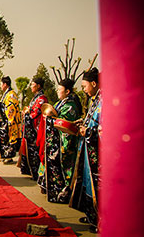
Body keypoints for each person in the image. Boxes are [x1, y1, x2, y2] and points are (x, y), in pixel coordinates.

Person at [38, 78, 81, 203]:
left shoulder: (70, 106)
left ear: (67, 91)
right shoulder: (60, 103)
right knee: (51, 162)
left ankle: (62, 191)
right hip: (54, 142)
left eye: (59, 89)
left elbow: (64, 124)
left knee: (62, 166)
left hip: (63, 142)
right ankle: (51, 188)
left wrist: (51, 118)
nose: (57, 91)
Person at [70, 68, 101, 233]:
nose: (83, 90)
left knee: (97, 185)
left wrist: (88, 131)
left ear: (94, 83)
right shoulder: (94, 99)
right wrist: (83, 121)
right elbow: (92, 119)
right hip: (88, 148)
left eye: (84, 86)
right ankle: (91, 215)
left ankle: (100, 220)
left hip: (98, 151)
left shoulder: (104, 100)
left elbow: (106, 128)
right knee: (88, 183)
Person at [19, 77, 48, 180]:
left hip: (35, 129)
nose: (31, 86)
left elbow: (37, 113)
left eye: (32, 84)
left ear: (38, 86)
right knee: (29, 149)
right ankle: (30, 170)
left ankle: (37, 174)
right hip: (31, 128)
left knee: (35, 151)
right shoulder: (36, 98)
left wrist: (28, 114)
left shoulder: (42, 99)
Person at [0, 76, 22, 164]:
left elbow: (10, 108)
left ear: (5, 84)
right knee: (4, 139)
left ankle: (9, 156)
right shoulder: (7, 94)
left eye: (1, 84)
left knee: (9, 139)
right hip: (3, 122)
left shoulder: (11, 94)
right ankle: (4, 155)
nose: (1, 86)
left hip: (9, 121)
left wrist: (0, 105)